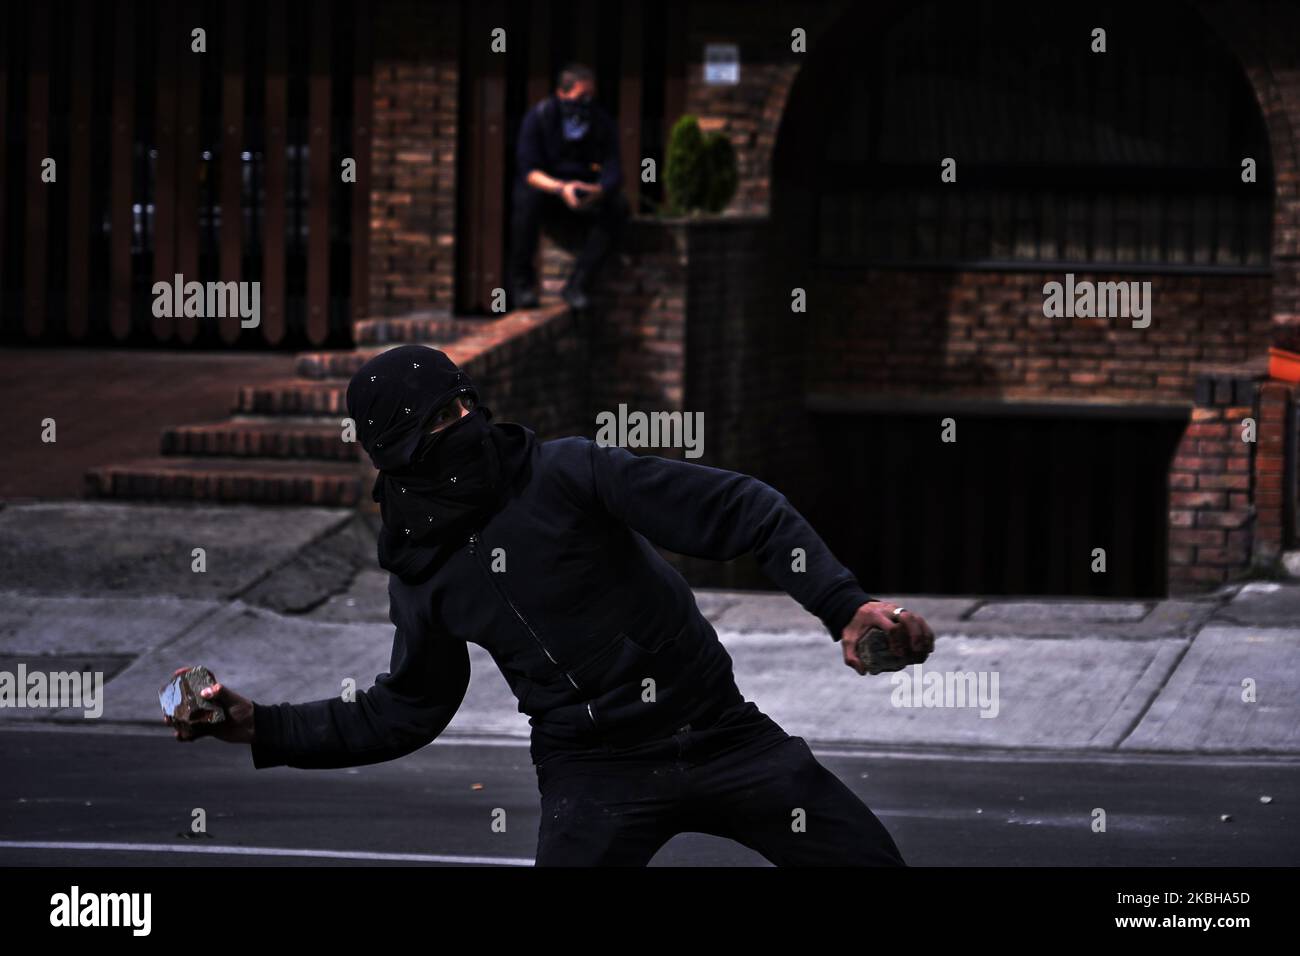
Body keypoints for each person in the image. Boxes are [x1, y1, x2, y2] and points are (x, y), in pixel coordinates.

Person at [167, 345, 935, 867]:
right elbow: (402, 712)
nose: (464, 426)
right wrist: (259, 726)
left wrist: (843, 606)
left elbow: (743, 509)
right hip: (595, 772)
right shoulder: (424, 574)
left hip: (724, 736)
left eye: (465, 404)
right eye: (438, 421)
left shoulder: (566, 472)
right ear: (394, 451)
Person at [508, 63, 629, 311]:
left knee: (618, 208)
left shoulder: (600, 120)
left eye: (589, 97)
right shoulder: (540, 117)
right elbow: (529, 171)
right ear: (562, 93)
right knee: (526, 201)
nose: (585, 102)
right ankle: (523, 286)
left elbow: (613, 168)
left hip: (586, 193)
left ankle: (577, 284)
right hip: (551, 192)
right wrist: (561, 188)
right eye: (580, 96)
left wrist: (598, 190)